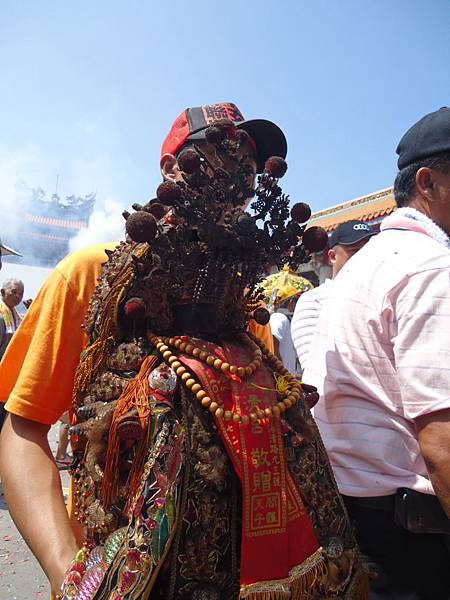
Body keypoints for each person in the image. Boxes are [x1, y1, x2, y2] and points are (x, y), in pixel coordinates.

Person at [0, 103, 366, 599]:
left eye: (251, 165)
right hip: (118, 571)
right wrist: (66, 570)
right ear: (172, 168)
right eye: (220, 151)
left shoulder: (239, 304)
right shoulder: (92, 274)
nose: (240, 172)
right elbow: (24, 427)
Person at [303, 107, 450, 598]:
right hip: (417, 539)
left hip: (355, 518)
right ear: (428, 183)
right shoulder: (431, 268)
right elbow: (442, 445)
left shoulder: (367, 265)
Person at [291, 220, 376, 373]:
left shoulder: (379, 298)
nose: (366, 258)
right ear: (332, 256)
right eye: (355, 251)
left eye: (370, 251)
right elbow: (316, 367)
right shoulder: (314, 301)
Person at [270, 286, 302, 375]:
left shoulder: (285, 318)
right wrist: (279, 366)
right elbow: (273, 338)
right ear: (291, 303)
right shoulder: (279, 317)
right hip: (281, 377)